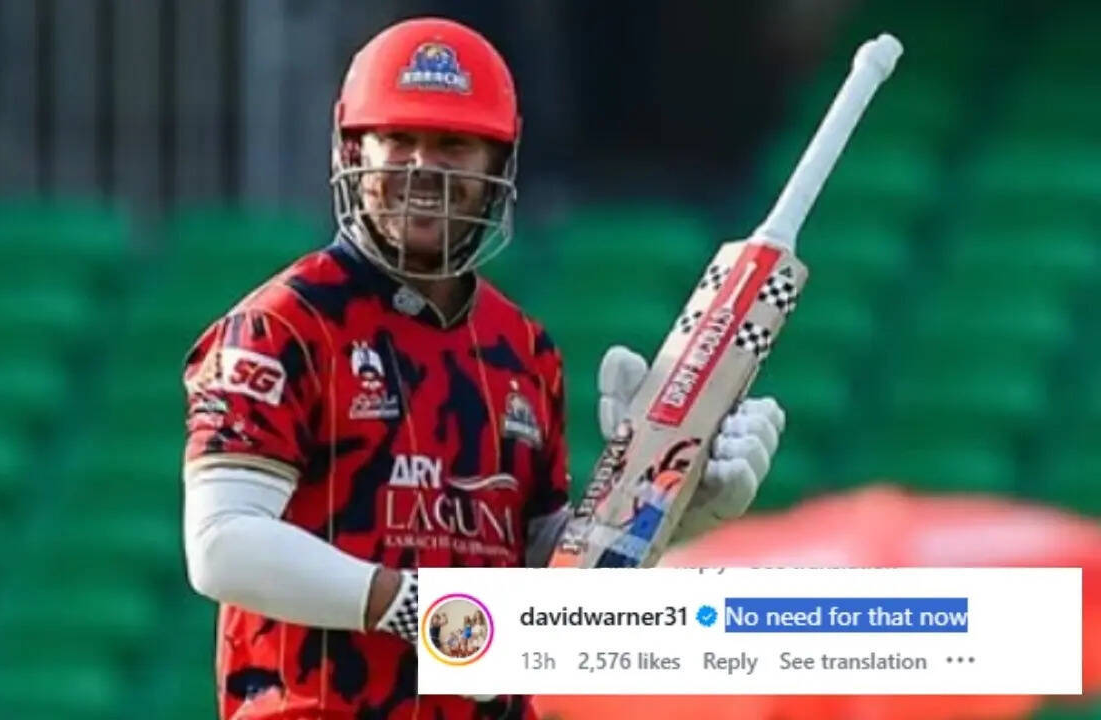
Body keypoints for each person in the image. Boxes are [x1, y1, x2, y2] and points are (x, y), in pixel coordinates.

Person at [181, 16, 786, 720]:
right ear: (353, 151)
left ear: (496, 163)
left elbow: (542, 569)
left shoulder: (523, 349)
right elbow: (222, 546)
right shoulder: (283, 325)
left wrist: (659, 500)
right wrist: (415, 608)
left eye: (452, 144)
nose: (423, 167)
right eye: (398, 139)